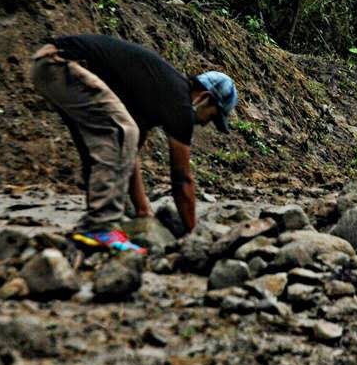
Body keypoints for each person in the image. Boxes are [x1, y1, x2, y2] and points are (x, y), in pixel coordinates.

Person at [30, 34, 238, 253]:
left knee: (119, 137)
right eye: (213, 116)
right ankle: (99, 226)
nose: (206, 124)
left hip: (48, 66)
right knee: (122, 131)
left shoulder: (156, 95)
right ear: (204, 98)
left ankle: (97, 224)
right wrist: (194, 236)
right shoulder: (180, 105)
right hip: (60, 64)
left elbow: (130, 156)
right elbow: (182, 179)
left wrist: (143, 211)